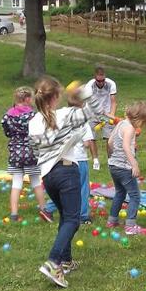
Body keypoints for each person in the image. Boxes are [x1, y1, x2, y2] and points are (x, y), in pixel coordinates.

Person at [30, 77, 101, 287]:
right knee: (73, 219)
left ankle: (66, 261)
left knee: (65, 217)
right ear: (55, 97)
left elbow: (36, 151)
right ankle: (53, 262)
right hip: (66, 170)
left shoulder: (33, 122)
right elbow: (92, 112)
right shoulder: (64, 114)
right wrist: (83, 94)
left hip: (47, 176)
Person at [1, 86, 52, 222]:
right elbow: (39, 132)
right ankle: (44, 210)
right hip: (31, 152)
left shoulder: (8, 115)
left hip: (15, 153)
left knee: (16, 183)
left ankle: (13, 214)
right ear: (27, 99)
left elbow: (7, 132)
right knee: (35, 181)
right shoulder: (33, 115)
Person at [44, 93, 96, 225]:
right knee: (82, 187)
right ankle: (83, 216)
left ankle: (48, 209)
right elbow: (87, 142)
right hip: (79, 159)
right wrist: (95, 157)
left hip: (62, 158)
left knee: (66, 187)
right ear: (82, 105)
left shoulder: (62, 117)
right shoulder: (82, 120)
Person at [106, 101, 146, 235]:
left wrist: (111, 158)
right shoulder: (130, 128)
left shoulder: (121, 123)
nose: (141, 127)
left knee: (120, 192)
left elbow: (110, 142)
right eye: (142, 123)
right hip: (124, 168)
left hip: (113, 165)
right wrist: (134, 164)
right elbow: (126, 147)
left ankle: (112, 220)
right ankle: (130, 226)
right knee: (135, 195)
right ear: (138, 118)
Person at [84, 66, 117, 170]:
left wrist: (112, 115)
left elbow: (113, 102)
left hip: (106, 113)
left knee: (109, 137)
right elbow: (89, 101)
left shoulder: (111, 84)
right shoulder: (89, 86)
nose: (101, 83)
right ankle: (95, 160)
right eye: (99, 81)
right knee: (91, 137)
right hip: (92, 113)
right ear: (95, 79)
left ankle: (110, 160)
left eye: (103, 80)